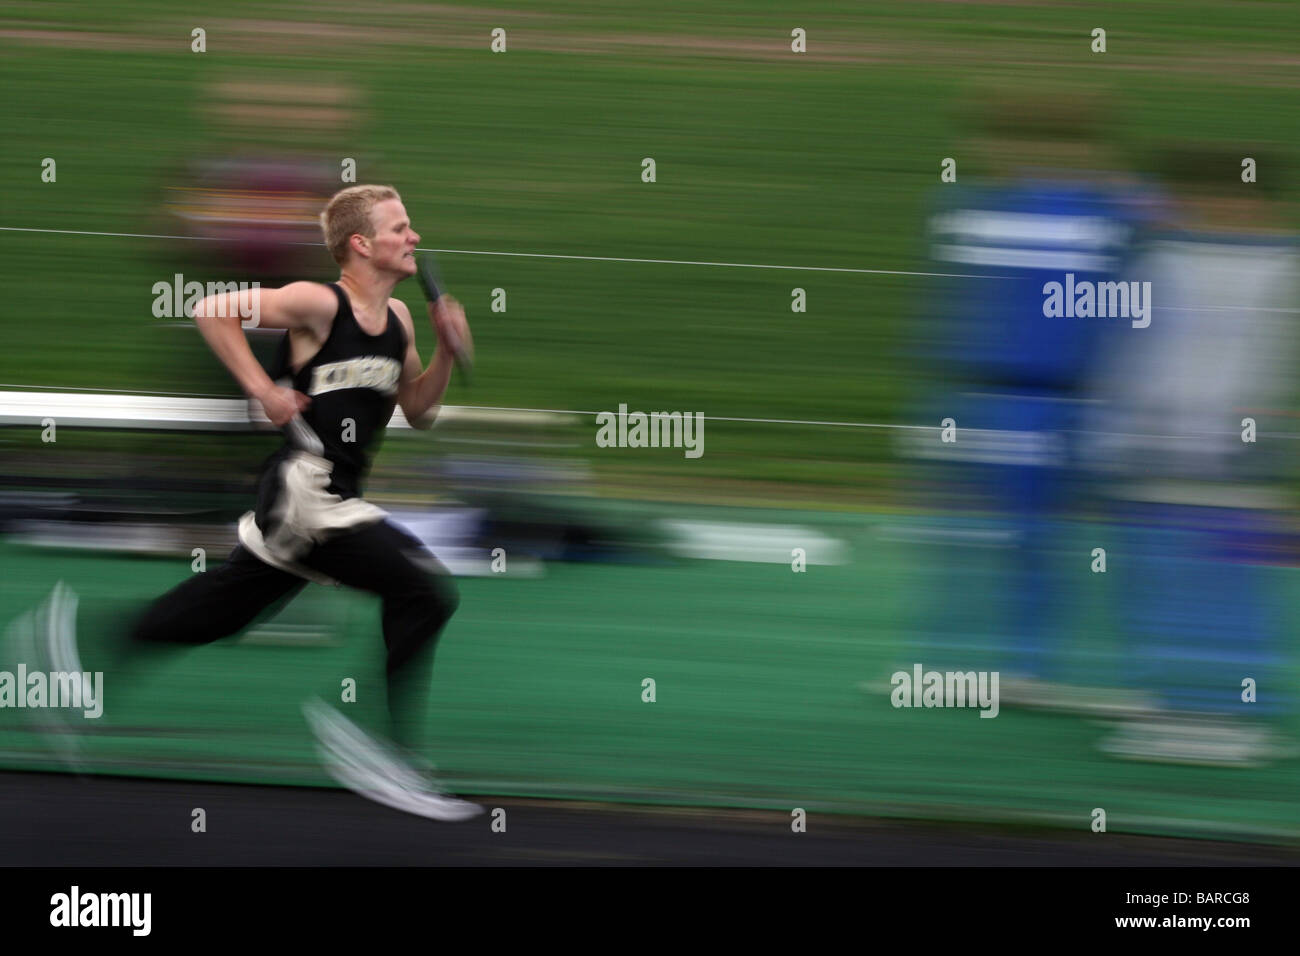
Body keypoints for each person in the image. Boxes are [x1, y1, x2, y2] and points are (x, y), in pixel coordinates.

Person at [34, 184, 482, 820]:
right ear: (361, 244)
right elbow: (210, 309)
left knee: (219, 612)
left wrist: (444, 350)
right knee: (424, 591)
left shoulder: (402, 321)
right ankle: (379, 747)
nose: (413, 238)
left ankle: (75, 644)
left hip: (335, 496)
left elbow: (419, 410)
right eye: (400, 228)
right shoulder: (318, 303)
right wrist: (263, 390)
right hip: (305, 489)